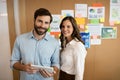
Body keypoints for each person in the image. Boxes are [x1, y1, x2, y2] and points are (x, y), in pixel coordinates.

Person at [10, 8, 60, 80]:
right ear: (34, 20)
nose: (42, 25)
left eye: (46, 23)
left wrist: (53, 71)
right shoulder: (20, 39)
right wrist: (24, 68)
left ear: (49, 24)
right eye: (40, 21)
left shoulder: (54, 42)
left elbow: (56, 64)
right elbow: (13, 62)